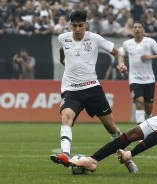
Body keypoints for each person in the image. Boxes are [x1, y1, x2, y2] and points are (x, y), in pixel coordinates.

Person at [49, 9, 138, 173]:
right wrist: (63, 60)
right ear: (70, 25)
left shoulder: (94, 38)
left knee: (112, 129)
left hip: (92, 89)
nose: (77, 29)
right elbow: (63, 50)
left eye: (80, 26)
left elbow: (117, 51)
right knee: (66, 117)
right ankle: (64, 154)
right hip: (71, 90)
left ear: (86, 24)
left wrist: (120, 63)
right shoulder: (63, 38)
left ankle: (126, 158)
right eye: (74, 26)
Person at [119, 21, 157, 124]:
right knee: (139, 102)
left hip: (149, 79)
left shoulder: (150, 42)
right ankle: (141, 129)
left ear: (143, 30)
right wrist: (123, 66)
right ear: (132, 30)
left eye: (139, 27)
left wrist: (150, 56)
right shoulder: (127, 44)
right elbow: (124, 56)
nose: (137, 29)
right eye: (135, 27)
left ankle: (149, 123)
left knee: (149, 108)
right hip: (134, 79)